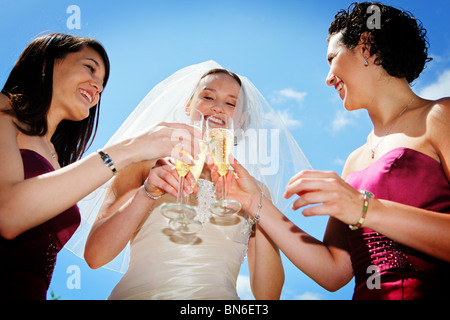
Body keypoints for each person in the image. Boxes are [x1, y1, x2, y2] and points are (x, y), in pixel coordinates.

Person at [221, 2, 450, 300]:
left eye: (332, 59)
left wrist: (363, 207)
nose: (328, 77)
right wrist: (254, 202)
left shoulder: (440, 116)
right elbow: (334, 273)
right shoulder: (354, 161)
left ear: (366, 47)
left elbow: (362, 209)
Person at [82, 61, 311, 299]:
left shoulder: (253, 190)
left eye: (231, 103)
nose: (218, 108)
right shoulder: (144, 166)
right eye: (208, 97)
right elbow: (96, 257)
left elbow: (268, 294)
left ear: (242, 120)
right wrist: (147, 193)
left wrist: (258, 206)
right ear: (188, 106)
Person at [0, 33, 199, 300]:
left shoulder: (57, 161)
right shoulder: (3, 109)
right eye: (89, 67)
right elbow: (8, 215)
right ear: (46, 64)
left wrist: (148, 190)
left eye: (102, 83)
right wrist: (131, 149)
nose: (97, 86)